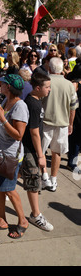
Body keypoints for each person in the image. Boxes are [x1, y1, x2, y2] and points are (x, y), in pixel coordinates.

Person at [0, 74, 29, 239]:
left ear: (8, 87)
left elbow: (18, 135)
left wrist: (2, 118)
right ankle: (2, 220)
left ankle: (23, 221)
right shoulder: (4, 101)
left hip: (9, 156)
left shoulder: (20, 107)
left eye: (2, 83)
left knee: (9, 190)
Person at [41, 57, 79, 192]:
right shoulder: (69, 85)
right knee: (57, 152)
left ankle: (44, 176)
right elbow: (73, 107)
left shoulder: (45, 82)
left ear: (49, 68)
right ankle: (53, 179)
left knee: (41, 152)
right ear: (62, 69)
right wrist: (71, 124)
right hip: (62, 123)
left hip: (45, 122)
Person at [22, 73, 54, 231]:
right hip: (31, 150)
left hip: (31, 149)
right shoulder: (33, 105)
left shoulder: (35, 101)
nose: (49, 89)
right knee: (33, 183)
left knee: (28, 177)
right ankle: (35, 215)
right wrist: (41, 156)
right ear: (37, 88)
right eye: (47, 87)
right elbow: (34, 132)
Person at [66, 60, 81, 173]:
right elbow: (71, 99)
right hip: (77, 113)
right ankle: (72, 162)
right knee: (76, 138)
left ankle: (72, 157)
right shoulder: (75, 83)